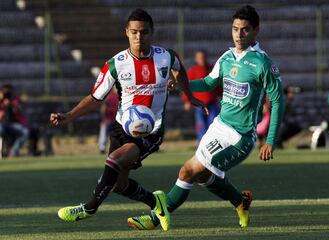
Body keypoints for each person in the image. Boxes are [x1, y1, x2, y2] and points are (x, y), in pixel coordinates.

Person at [128, 5, 285, 230]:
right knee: (196, 174)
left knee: (192, 171)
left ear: (256, 31)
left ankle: (155, 218)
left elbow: (278, 101)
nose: (239, 35)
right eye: (235, 29)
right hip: (219, 126)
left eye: (245, 30)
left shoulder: (263, 64)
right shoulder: (227, 57)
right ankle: (240, 202)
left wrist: (270, 140)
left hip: (241, 136)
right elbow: (209, 83)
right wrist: (182, 86)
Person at [50, 9, 206, 231]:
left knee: (114, 160)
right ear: (127, 33)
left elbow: (180, 71)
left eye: (144, 32)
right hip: (121, 127)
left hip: (151, 131)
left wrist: (189, 95)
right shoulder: (116, 63)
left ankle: (90, 207)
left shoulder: (166, 56)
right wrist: (69, 115)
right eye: (134, 32)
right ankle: (156, 202)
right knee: (117, 185)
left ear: (152, 32)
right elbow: (95, 98)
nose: (139, 37)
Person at [182, 50, 221, 142]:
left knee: (213, 124)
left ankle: (213, 142)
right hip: (199, 104)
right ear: (196, 59)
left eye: (203, 57)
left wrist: (221, 95)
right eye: (199, 58)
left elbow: (218, 84)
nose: (201, 60)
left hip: (212, 103)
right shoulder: (192, 71)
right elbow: (186, 87)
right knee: (201, 125)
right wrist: (186, 101)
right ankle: (201, 143)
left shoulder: (212, 69)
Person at [0, 84, 29, 157]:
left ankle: (13, 151)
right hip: (2, 124)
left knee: (25, 132)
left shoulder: (15, 100)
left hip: (13, 124)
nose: (7, 94)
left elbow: (20, 109)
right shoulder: (1, 100)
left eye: (9, 92)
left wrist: (12, 104)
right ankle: (5, 150)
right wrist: (2, 102)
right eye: (5, 92)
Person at [98, 87, 118, 154]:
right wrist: (104, 119)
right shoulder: (109, 96)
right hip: (109, 119)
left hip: (117, 120)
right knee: (104, 131)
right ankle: (102, 148)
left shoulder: (121, 96)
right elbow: (103, 108)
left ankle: (117, 148)